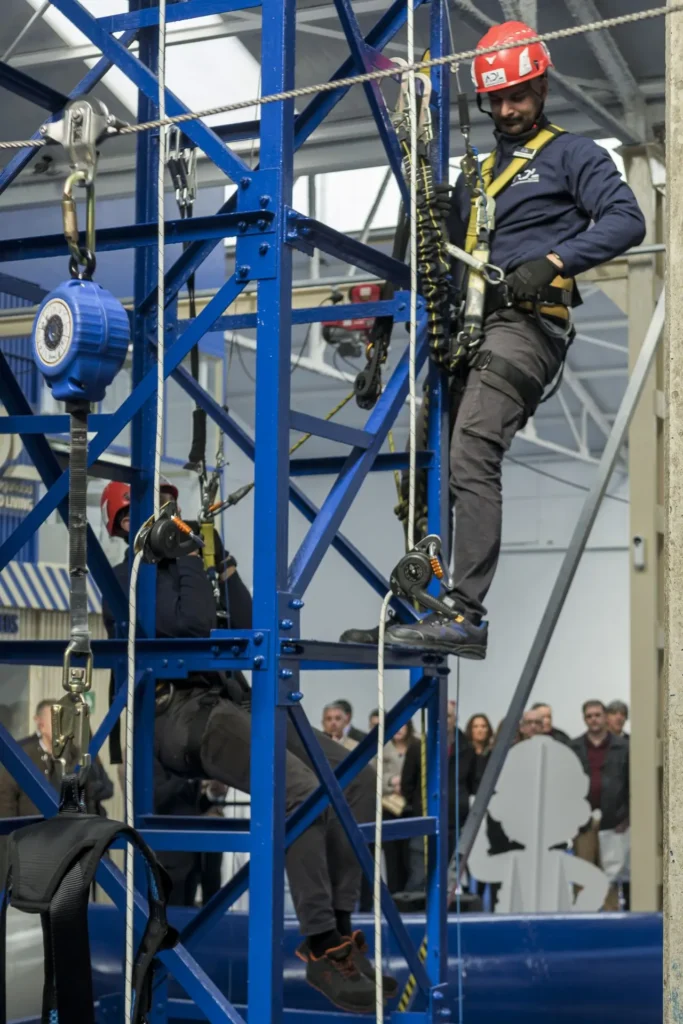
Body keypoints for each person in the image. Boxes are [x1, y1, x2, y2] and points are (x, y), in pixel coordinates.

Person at [340, 19, 645, 660]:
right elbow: (433, 253)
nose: (508, 110)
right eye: (497, 100)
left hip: (527, 325)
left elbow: (625, 219)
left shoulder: (573, 155)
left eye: (520, 96)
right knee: (434, 463)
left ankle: (466, 614)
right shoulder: (476, 177)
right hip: (466, 331)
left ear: (541, 88)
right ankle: (424, 599)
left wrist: (554, 262)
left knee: (474, 449)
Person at [101, 518, 390, 1012]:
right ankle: (320, 942)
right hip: (180, 714)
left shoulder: (196, 571)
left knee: (357, 778)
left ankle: (341, 931)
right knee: (298, 791)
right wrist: (192, 561)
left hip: (230, 703)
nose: (173, 522)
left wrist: (225, 568)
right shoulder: (130, 574)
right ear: (125, 526)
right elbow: (187, 629)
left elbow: (252, 624)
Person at [401, 702, 475, 891]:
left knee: (454, 878)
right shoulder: (418, 748)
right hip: (425, 819)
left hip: (457, 822)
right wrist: (418, 806)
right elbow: (407, 785)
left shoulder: (467, 749)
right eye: (440, 716)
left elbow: (473, 783)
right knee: (419, 875)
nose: (444, 720)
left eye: (448, 716)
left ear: (455, 719)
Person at [0, 699, 113, 819]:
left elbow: (96, 795)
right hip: (32, 833)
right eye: (58, 721)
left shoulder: (76, 756)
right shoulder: (22, 757)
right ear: (41, 726)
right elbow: (6, 802)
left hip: (72, 832)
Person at [570, 701, 629, 911]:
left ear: (605, 717)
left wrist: (627, 817)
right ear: (584, 719)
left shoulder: (623, 747)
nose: (594, 719)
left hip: (614, 821)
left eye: (597, 715)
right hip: (583, 821)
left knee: (611, 875)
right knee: (583, 871)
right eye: (589, 716)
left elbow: (632, 782)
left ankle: (612, 920)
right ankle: (582, 917)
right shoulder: (574, 747)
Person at [465, 714, 494, 791]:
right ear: (470, 730)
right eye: (475, 726)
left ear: (488, 729)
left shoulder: (493, 755)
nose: (480, 730)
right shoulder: (464, 754)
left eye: (483, 726)